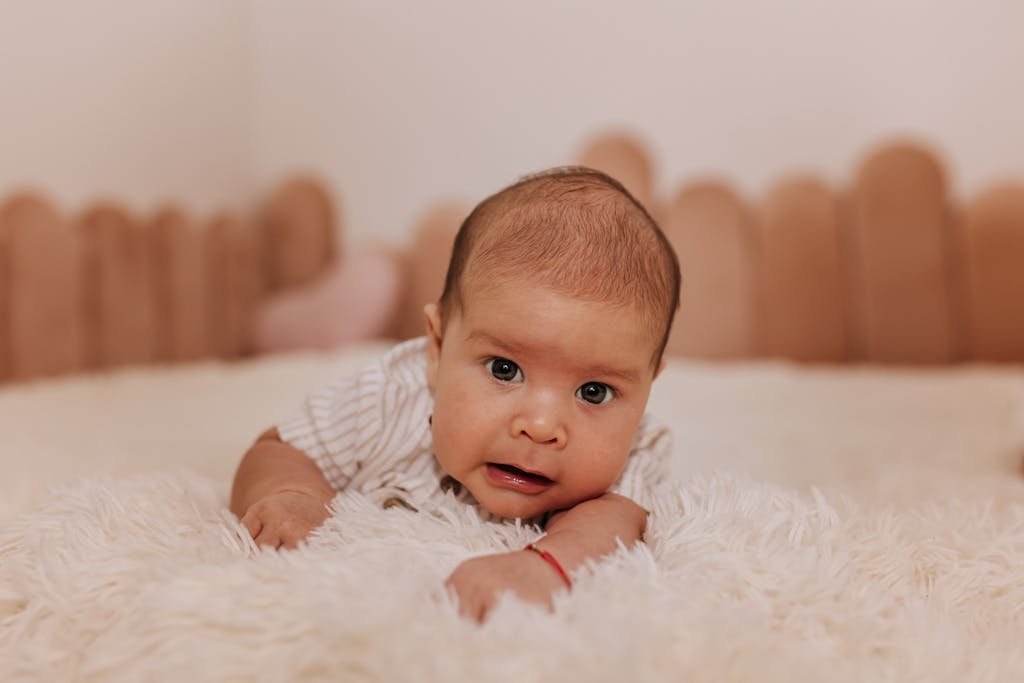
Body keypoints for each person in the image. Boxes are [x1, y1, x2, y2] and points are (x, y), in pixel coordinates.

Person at [230, 166, 681, 621]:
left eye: (594, 391)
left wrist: (544, 567)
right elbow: (278, 449)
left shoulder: (635, 447)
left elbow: (610, 526)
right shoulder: (388, 398)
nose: (542, 427)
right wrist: (295, 494)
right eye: (505, 370)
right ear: (438, 347)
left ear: (646, 391)